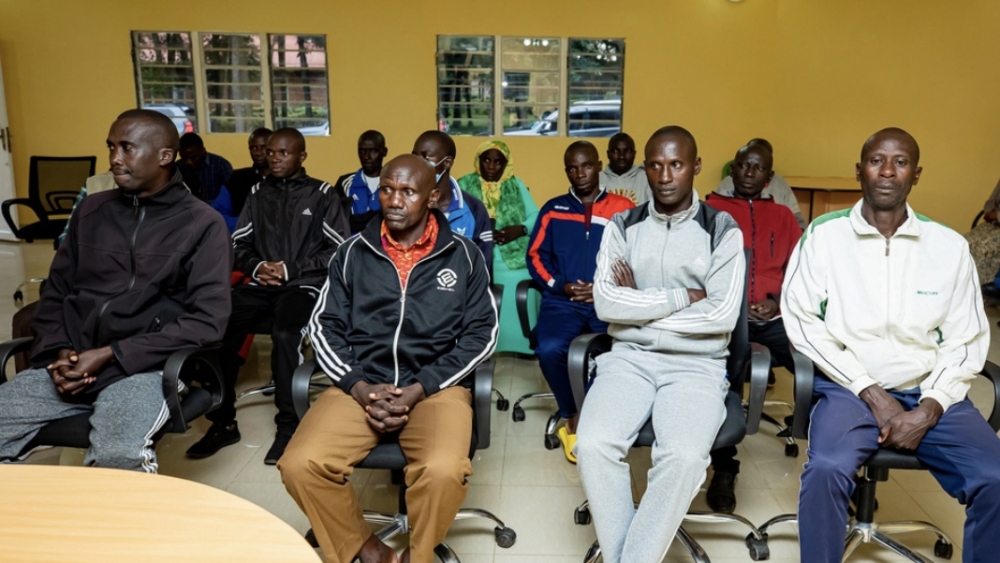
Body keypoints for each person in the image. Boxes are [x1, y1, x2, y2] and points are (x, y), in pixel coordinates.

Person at [782, 128, 1000, 563]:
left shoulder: (949, 247)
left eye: (899, 162)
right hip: (850, 388)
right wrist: (870, 390)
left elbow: (967, 336)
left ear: (915, 175)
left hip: (929, 387)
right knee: (826, 470)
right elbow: (802, 321)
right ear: (858, 170)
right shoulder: (825, 236)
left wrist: (931, 406)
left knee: (995, 477)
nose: (886, 171)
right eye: (876, 160)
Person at [279, 154, 498, 563]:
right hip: (362, 382)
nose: (394, 200)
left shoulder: (464, 256)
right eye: (387, 189)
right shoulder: (351, 252)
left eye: (408, 192)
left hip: (435, 387)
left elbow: (482, 333)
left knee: (443, 470)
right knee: (300, 463)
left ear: (433, 197)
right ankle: (369, 549)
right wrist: (359, 387)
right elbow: (324, 326)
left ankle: (418, 556)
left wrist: (420, 387)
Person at [0, 109, 232, 472]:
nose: (114, 159)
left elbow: (207, 321)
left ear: (165, 157)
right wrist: (61, 352)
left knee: (116, 456)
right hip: (72, 362)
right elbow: (56, 292)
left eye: (126, 148)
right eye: (111, 147)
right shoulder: (92, 210)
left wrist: (112, 353)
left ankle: (122, 529)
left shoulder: (202, 224)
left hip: (143, 369)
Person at [575, 126, 745, 563]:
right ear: (644, 168)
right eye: (655, 164)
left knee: (685, 457)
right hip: (628, 360)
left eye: (676, 164)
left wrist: (640, 308)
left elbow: (723, 314)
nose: (665, 175)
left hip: (697, 366)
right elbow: (607, 301)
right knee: (592, 444)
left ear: (696, 167)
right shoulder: (623, 224)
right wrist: (682, 298)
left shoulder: (722, 229)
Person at [186, 128, 349, 464]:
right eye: (272, 152)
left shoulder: (321, 195)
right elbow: (238, 244)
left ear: (302, 156)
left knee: (286, 334)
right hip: (260, 284)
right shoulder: (258, 193)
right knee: (217, 327)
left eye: (284, 153)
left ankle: (289, 428)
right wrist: (259, 266)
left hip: (302, 285)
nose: (275, 158)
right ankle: (223, 421)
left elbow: (340, 249)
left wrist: (290, 269)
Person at [704, 143, 802, 513]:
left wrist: (777, 300)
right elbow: (699, 269)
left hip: (774, 316)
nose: (748, 172)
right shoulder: (710, 210)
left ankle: (831, 455)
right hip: (728, 318)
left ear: (769, 176)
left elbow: (799, 269)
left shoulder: (783, 216)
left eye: (757, 167)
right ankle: (724, 468)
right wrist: (738, 304)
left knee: (815, 366)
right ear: (733, 169)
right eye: (742, 165)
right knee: (720, 377)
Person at [527, 141, 633, 464]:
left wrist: (605, 287)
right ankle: (572, 414)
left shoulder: (622, 208)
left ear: (599, 165)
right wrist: (563, 287)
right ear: (566, 171)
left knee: (625, 350)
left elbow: (636, 256)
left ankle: (604, 416)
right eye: (572, 168)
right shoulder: (553, 209)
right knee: (549, 349)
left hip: (609, 300)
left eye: (586, 165)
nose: (580, 173)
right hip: (565, 301)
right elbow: (535, 256)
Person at [458, 140, 539, 354]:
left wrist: (520, 229)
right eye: (486, 160)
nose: (492, 167)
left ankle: (521, 344)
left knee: (521, 285)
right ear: (478, 161)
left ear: (506, 164)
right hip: (473, 253)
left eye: (498, 162)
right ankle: (481, 346)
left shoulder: (516, 184)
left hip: (512, 255)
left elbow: (536, 216)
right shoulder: (463, 184)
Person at [412, 130, 493, 268]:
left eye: (426, 157)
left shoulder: (473, 208)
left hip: (460, 287)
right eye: (415, 157)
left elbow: (483, 263)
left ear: (447, 163)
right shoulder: (407, 203)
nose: (418, 163)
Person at [715, 138, 806, 229]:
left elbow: (798, 224)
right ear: (732, 170)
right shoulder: (726, 185)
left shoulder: (780, 186)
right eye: (745, 165)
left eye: (759, 167)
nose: (750, 173)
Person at [178, 132, 237, 230]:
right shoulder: (177, 169)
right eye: (184, 158)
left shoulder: (220, 165)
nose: (189, 162)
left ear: (203, 150)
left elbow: (232, 195)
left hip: (217, 219)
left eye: (193, 157)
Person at [337, 130, 389, 233]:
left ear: (384, 152)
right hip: (353, 247)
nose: (366, 157)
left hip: (384, 247)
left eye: (373, 151)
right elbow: (339, 222)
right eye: (362, 151)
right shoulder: (345, 183)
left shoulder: (393, 183)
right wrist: (379, 216)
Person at [965, 175, 1000, 295]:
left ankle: (978, 292)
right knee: (965, 243)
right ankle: (961, 289)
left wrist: (998, 216)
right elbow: (991, 201)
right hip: (994, 222)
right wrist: (990, 211)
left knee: (983, 248)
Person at [226, 127, 273, 217]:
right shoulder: (236, 178)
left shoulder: (285, 179)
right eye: (254, 148)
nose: (258, 153)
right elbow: (220, 212)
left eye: (264, 147)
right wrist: (243, 226)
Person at [599, 132, 648, 205]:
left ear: (634, 154)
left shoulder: (646, 179)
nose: (621, 156)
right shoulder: (597, 179)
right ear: (608, 154)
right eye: (616, 151)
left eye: (627, 151)